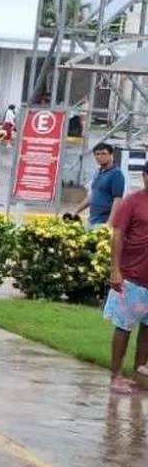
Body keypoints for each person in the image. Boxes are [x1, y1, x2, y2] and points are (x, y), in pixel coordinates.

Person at [105, 163, 148, 395]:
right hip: (131, 277)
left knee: (147, 331)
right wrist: (115, 270)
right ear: (144, 177)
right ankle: (116, 375)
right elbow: (118, 235)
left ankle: (137, 375)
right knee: (124, 327)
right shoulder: (132, 202)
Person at [70, 143, 125, 229]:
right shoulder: (98, 172)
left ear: (111, 155)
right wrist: (76, 211)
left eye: (103, 153)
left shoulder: (116, 173)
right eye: (97, 154)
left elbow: (117, 200)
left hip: (103, 222)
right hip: (92, 220)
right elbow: (93, 195)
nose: (100, 156)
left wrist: (109, 224)